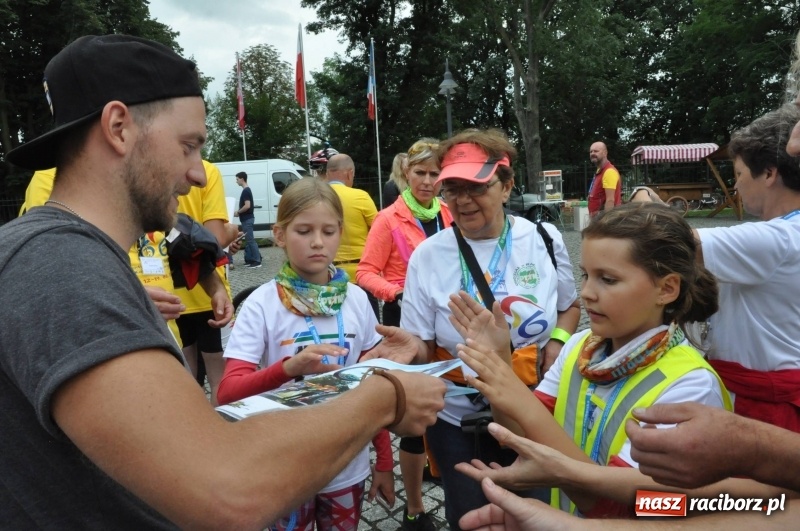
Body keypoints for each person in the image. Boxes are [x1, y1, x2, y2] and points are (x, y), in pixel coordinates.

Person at [0, 34, 445, 529]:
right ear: (119, 127)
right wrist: (389, 395)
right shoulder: (64, 268)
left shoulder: (74, 264)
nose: (197, 174)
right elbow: (230, 493)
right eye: (189, 145)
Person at [452, 202, 733, 516]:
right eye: (586, 275)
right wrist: (500, 363)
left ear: (666, 289)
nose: (586, 292)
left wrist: (516, 393)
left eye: (608, 280)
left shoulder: (691, 385)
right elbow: (518, 435)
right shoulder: (579, 347)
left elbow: (617, 506)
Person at [389, 128, 581, 529]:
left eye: (476, 186)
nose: (462, 200)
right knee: (471, 517)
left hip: (534, 410)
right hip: (460, 421)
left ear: (507, 185)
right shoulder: (428, 256)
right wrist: (410, 350)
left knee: (537, 514)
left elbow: (570, 307)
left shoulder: (544, 239)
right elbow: (423, 349)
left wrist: (558, 343)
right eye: (452, 188)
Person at [218, 178, 395, 531]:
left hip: (346, 465)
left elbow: (373, 382)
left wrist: (385, 462)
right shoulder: (261, 304)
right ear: (280, 235)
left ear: (340, 232)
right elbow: (227, 392)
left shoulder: (358, 299)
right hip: (284, 466)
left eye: (328, 231)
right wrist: (289, 367)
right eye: (304, 230)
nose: (318, 242)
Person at [632, 103, 800, 432]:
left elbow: (670, 238)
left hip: (765, 404)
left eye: (738, 174)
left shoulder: (778, 238)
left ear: (768, 173)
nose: (735, 186)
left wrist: (641, 197)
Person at [356, 138, 453, 530]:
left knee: (444, 407)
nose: (428, 181)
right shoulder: (388, 219)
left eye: (435, 174)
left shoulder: (447, 213)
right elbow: (364, 271)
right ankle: (415, 508)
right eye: (421, 173)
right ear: (405, 174)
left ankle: (435, 467)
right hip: (406, 320)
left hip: (446, 320)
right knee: (414, 417)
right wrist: (396, 290)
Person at [175, 159, 240, 405]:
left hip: (169, 291)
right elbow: (216, 238)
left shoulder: (150, 164)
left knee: (185, 375)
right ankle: (218, 436)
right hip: (208, 293)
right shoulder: (207, 171)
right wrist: (232, 230)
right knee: (218, 377)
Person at [322, 153, 378, 282]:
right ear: (349, 173)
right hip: (360, 273)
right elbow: (380, 232)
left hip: (327, 272)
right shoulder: (361, 196)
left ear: (327, 174)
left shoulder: (315, 198)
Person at [234, 170, 262, 268]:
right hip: (247, 219)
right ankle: (251, 260)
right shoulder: (247, 190)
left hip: (247, 219)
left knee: (250, 240)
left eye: (237, 179)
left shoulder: (246, 191)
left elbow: (247, 206)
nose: (236, 181)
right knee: (249, 240)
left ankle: (257, 261)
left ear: (242, 179)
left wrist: (238, 212)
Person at [587, 141, 622, 216]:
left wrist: (606, 222)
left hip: (604, 220)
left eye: (596, 151)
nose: (592, 153)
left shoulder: (609, 172)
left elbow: (610, 200)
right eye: (591, 151)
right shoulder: (599, 171)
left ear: (605, 153)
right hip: (597, 218)